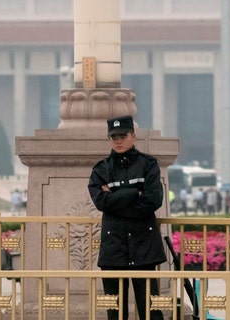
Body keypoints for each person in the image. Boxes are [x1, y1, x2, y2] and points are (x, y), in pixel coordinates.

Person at [88, 115, 166, 320]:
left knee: (150, 310)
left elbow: (152, 201)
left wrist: (115, 200)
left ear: (134, 136)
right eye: (114, 137)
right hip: (114, 247)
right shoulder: (101, 169)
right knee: (115, 312)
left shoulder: (148, 165)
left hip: (143, 245)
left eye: (123, 136)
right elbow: (100, 203)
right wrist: (134, 193)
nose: (118, 141)